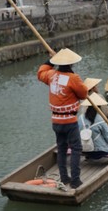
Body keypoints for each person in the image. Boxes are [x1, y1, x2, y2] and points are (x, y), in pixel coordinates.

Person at [37, 48, 88, 189]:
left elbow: (40, 72)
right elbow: (83, 94)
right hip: (70, 121)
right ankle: (75, 180)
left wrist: (49, 61)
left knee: (61, 148)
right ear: (71, 64)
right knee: (76, 149)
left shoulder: (51, 75)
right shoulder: (73, 78)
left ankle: (65, 178)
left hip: (56, 121)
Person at [78, 92, 108, 159]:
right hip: (100, 152)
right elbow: (107, 136)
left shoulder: (80, 118)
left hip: (84, 150)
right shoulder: (100, 119)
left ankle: (88, 157)